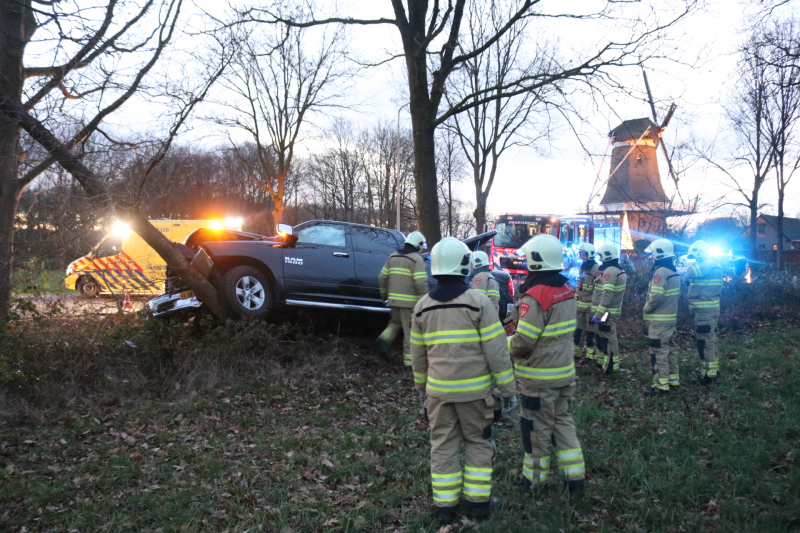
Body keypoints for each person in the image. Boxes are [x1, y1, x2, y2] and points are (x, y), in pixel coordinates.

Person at [410, 237, 516, 523]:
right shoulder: (478, 302)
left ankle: (445, 509)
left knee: (442, 446)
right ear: (465, 267)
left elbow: (417, 356)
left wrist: (421, 390)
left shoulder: (421, 307)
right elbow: (497, 350)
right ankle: (477, 506)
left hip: (438, 395)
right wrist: (508, 390)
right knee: (479, 445)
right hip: (476, 396)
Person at [507, 234, 585, 494]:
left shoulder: (535, 296)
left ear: (535, 260)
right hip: (563, 374)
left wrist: (501, 345)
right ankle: (575, 479)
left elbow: (523, 342)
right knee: (563, 424)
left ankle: (533, 481)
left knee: (535, 431)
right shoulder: (566, 291)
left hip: (539, 379)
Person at [375, 231, 428, 367]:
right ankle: (409, 363)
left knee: (394, 323)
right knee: (410, 331)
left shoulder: (392, 257)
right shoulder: (416, 259)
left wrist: (384, 295)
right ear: (418, 245)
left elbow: (382, 278)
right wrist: (425, 300)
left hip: (393, 300)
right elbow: (420, 282)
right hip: (409, 303)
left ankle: (383, 340)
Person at [643, 239, 681, 395]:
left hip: (659, 322)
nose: (651, 257)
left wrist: (646, 308)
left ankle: (661, 386)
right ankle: (673, 381)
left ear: (659, 254)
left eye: (652, 254)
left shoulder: (660, 272)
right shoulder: (674, 271)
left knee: (658, 353)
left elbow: (656, 297)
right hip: (670, 320)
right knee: (670, 351)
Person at [687, 240, 723, 385]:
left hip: (705, 312)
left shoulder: (708, 264)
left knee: (705, 342)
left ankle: (710, 375)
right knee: (710, 340)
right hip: (708, 310)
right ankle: (713, 369)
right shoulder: (712, 265)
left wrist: (687, 261)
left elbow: (690, 272)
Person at [591, 244, 627, 374]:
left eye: (601, 256)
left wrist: (599, 313)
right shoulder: (614, 270)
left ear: (607, 256)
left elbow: (607, 294)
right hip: (606, 311)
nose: (600, 259)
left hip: (606, 312)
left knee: (608, 338)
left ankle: (610, 368)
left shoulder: (610, 271)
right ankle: (604, 364)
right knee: (602, 337)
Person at [574, 243, 600, 360]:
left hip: (591, 306)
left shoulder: (596, 268)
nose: (582, 256)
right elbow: (580, 285)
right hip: (580, 306)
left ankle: (590, 356)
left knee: (590, 332)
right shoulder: (582, 267)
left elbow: (598, 288)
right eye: (581, 254)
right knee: (578, 331)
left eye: (584, 254)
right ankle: (577, 353)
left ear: (590, 255)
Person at [469, 251, 500, 316]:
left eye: (471, 264)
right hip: (489, 315)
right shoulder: (489, 276)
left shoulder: (480, 277)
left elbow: (475, 300)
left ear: (477, 263)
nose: (470, 267)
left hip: (483, 315)